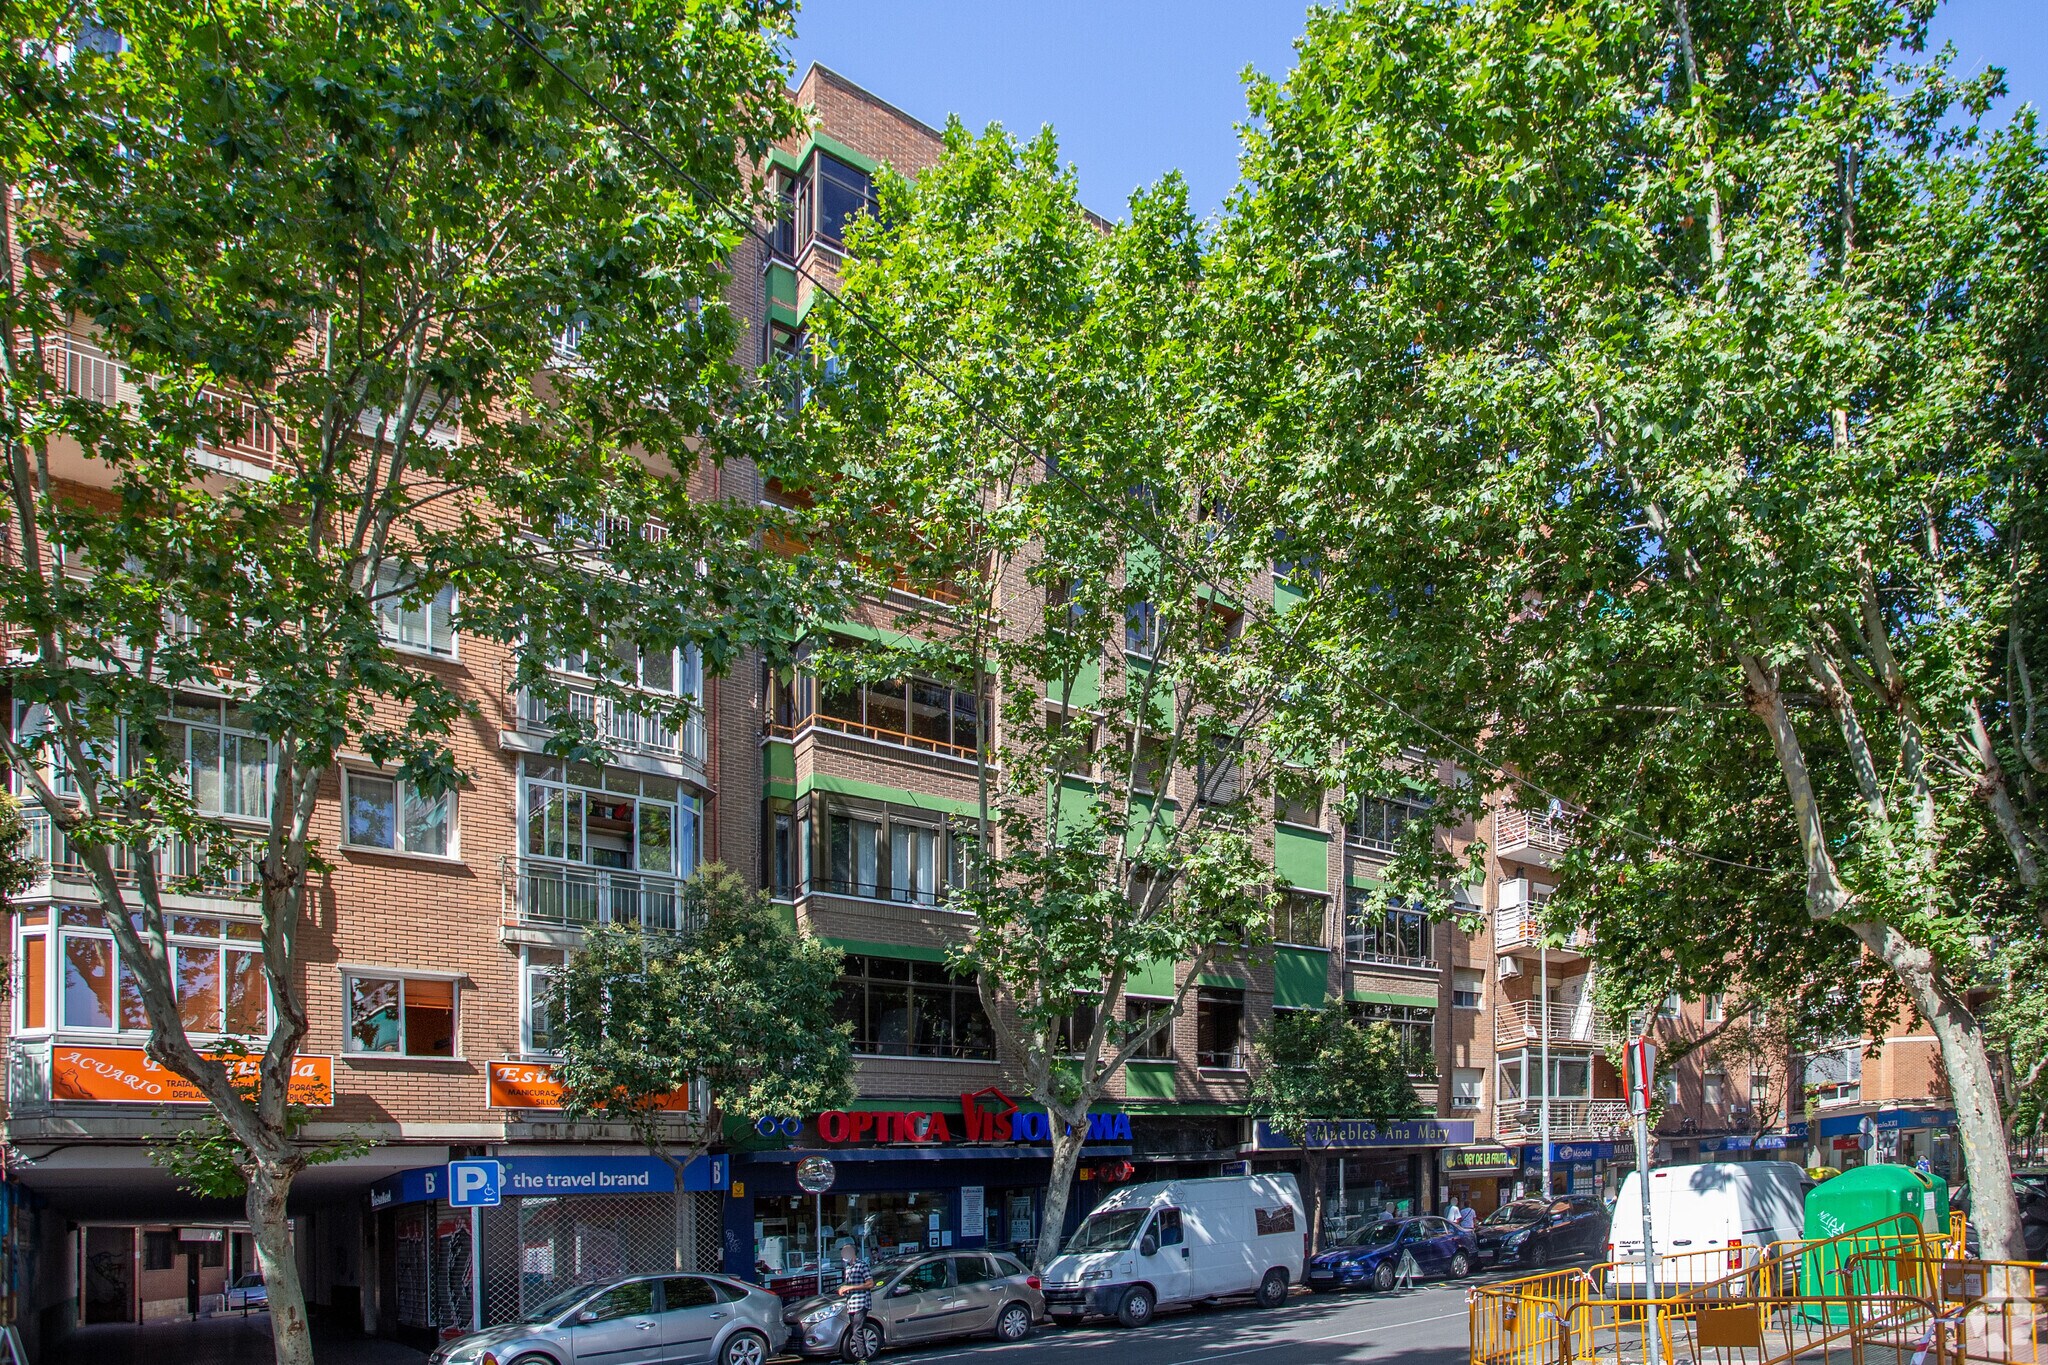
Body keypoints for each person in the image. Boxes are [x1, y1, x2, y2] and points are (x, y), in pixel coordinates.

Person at [835, 1240, 876, 1361]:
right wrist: (844, 1289)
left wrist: (851, 1287)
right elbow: (850, 1284)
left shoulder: (861, 1265)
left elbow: (870, 1283)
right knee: (855, 1330)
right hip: (851, 1303)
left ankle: (863, 1358)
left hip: (861, 1302)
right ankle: (858, 1356)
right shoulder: (848, 1268)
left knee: (857, 1329)